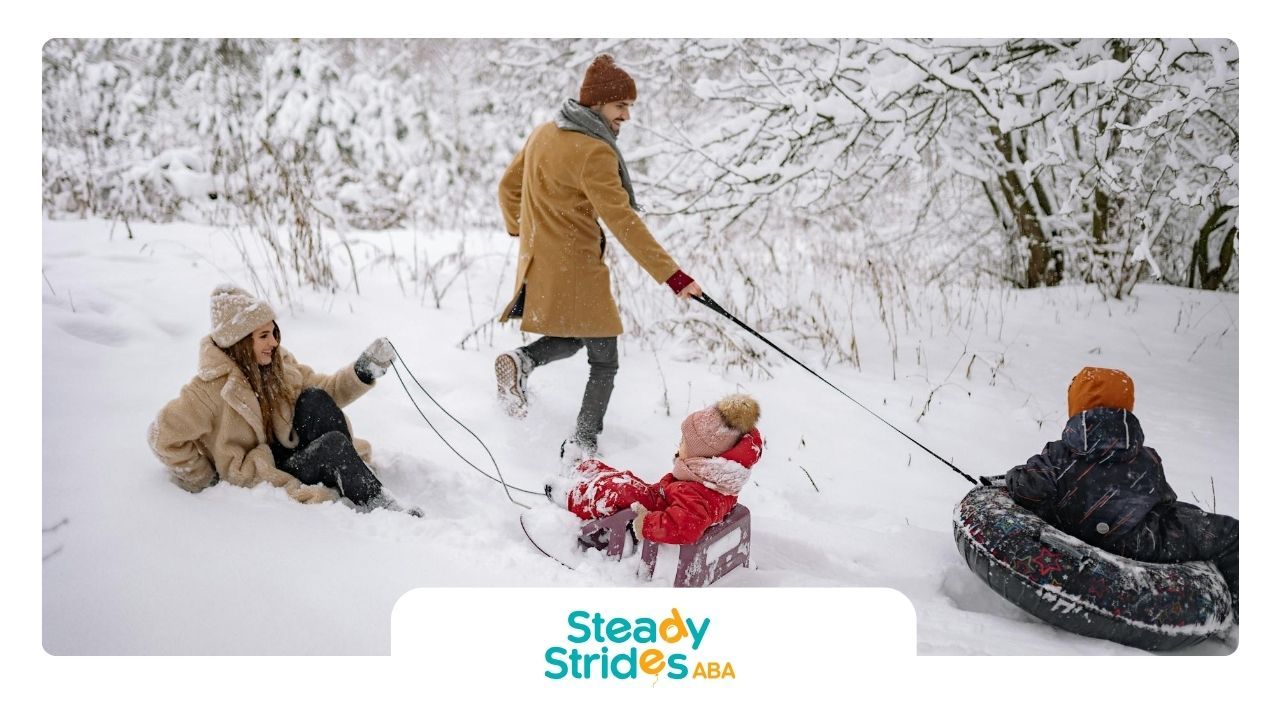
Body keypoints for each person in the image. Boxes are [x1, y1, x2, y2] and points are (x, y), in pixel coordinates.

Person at [494, 54, 703, 462]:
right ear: (597, 104)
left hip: (542, 260)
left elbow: (507, 189)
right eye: (620, 105)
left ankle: (521, 362)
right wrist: (673, 277)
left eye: (629, 106)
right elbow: (623, 221)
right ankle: (583, 446)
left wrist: (523, 232)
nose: (626, 115)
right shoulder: (595, 152)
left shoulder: (544, 133)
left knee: (575, 336)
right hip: (579, 266)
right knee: (604, 359)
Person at [148, 284, 420, 516]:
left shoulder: (277, 365)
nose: (274, 343)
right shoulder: (208, 391)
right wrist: (205, 478)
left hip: (290, 448)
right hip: (266, 470)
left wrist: (363, 370)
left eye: (274, 333)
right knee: (333, 446)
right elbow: (162, 436)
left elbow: (327, 389)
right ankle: (380, 506)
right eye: (263, 336)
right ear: (240, 342)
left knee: (315, 398)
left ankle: (352, 477)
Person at [1002, 367, 1238, 617]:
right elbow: (1164, 501)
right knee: (1230, 534)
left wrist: (1015, 477)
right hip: (1139, 542)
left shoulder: (1057, 455)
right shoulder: (1147, 458)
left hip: (1073, 528)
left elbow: (1030, 488)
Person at [551, 394, 763, 546]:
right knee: (624, 479)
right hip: (660, 501)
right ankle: (581, 469)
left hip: (651, 513)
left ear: (703, 457)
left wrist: (645, 524)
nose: (679, 446)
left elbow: (685, 527)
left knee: (617, 490)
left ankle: (570, 496)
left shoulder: (697, 494)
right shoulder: (711, 482)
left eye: (685, 443)